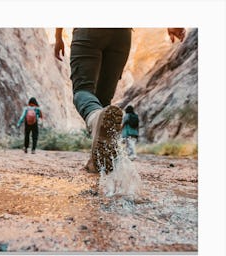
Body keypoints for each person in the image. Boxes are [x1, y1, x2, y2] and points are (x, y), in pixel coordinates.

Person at [55, 28, 186, 173]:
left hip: (88, 31)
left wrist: (58, 36)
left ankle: (94, 118)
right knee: (103, 102)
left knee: (82, 91)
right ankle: (98, 161)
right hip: (122, 35)